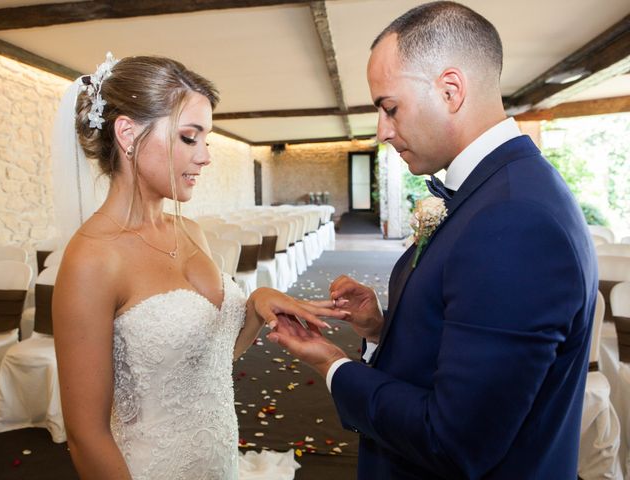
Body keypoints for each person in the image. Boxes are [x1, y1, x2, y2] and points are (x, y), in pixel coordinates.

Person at [266, 2, 598, 478]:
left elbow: (455, 440)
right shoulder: (496, 192)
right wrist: (380, 330)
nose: (382, 130)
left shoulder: (513, 218)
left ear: (450, 90)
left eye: (390, 107)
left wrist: (334, 363)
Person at [52, 54, 326, 480]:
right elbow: (86, 435)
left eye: (207, 139)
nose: (205, 157)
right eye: (189, 138)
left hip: (217, 459)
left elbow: (209, 361)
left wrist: (255, 304)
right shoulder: (92, 258)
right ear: (127, 133)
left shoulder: (191, 232)